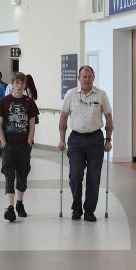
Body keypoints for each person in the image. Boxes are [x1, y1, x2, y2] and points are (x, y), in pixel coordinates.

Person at [58, 65, 112, 221]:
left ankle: (89, 210)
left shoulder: (101, 95)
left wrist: (108, 140)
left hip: (95, 139)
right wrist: (62, 140)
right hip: (76, 140)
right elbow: (63, 117)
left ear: (93, 78)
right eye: (84, 77)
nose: (87, 80)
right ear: (79, 78)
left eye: (90, 77)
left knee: (94, 177)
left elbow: (108, 117)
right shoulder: (71, 94)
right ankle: (76, 208)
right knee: (75, 175)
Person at [0, 71, 37, 221]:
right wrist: (4, 144)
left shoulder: (29, 103)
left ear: (25, 84)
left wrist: (29, 144)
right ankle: (10, 207)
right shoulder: (4, 102)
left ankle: (20, 203)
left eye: (22, 83)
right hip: (9, 146)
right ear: (12, 84)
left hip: (23, 146)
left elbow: (32, 126)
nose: (19, 86)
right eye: (17, 83)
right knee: (9, 175)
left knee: (22, 176)